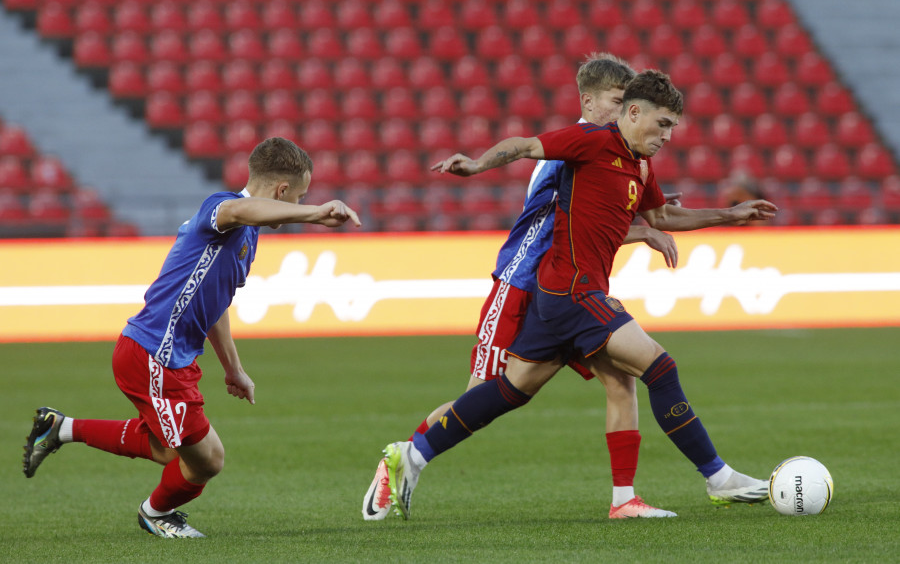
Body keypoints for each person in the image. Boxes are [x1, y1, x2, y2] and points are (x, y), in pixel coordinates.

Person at [381, 70, 778, 520]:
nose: (668, 136)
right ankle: (717, 477)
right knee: (660, 368)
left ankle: (411, 454)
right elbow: (526, 145)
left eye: (672, 127)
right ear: (633, 112)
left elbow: (663, 215)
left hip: (561, 296)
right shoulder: (591, 141)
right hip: (572, 290)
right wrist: (476, 165)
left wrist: (731, 214)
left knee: (509, 392)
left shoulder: (640, 164)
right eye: (662, 124)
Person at [22, 137, 360, 538]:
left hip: (172, 359)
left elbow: (214, 304)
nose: (295, 208)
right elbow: (239, 208)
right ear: (282, 192)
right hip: (152, 355)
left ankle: (59, 428)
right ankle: (155, 514)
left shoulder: (248, 238)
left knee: (172, 448)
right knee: (205, 460)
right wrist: (316, 213)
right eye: (298, 196)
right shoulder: (221, 208)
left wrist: (234, 369)